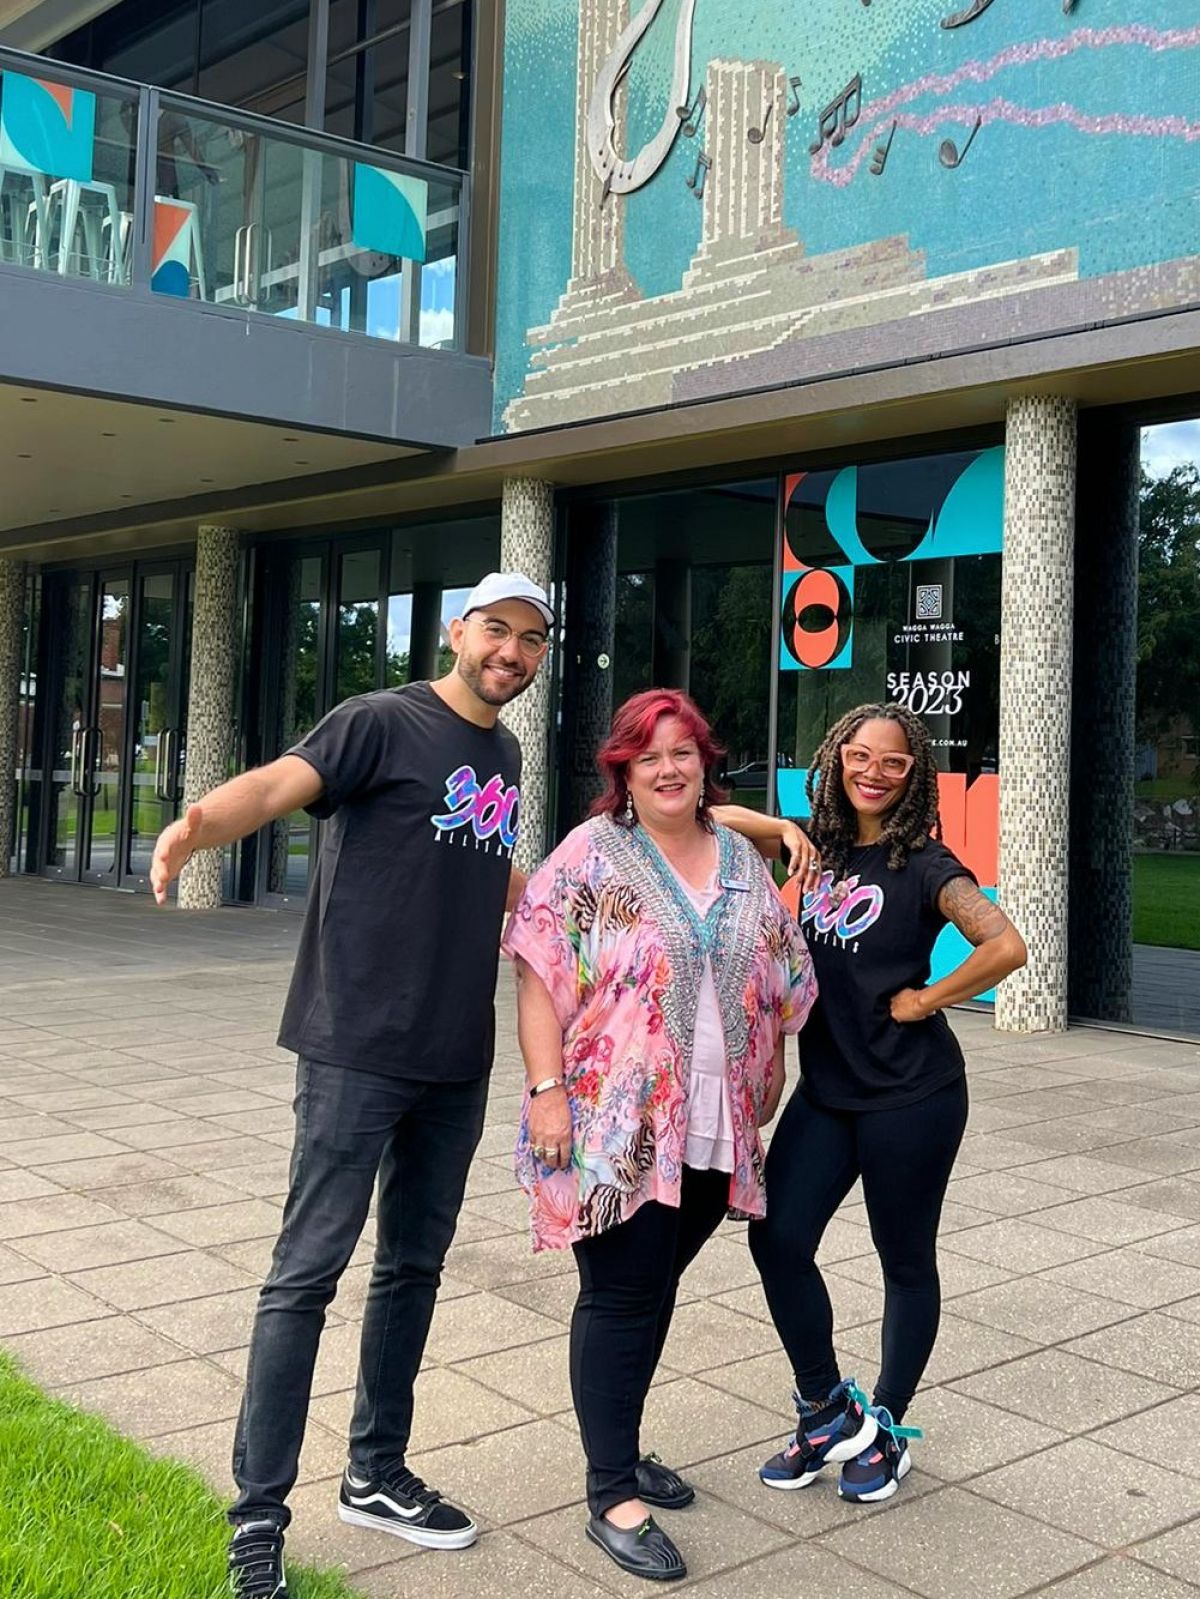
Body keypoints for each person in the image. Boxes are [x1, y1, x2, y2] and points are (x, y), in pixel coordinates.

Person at [148, 573, 555, 1599]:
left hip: (456, 1058)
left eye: (531, 639)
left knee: (412, 1271)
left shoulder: (502, 753)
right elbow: (281, 783)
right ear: (459, 631)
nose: (510, 651)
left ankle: (375, 1473)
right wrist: (199, 825)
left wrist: (572, 909)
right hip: (355, 1047)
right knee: (305, 1277)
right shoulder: (380, 720)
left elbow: (486, 866)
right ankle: (258, 1519)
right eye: (496, 630)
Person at [502, 689, 817, 1583]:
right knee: (621, 1292)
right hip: (613, 1122)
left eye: (684, 752)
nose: (670, 768)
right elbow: (537, 972)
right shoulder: (592, 856)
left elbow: (782, 967)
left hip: (717, 1126)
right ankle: (611, 1493)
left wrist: (775, 1067)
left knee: (653, 1287)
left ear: (705, 764)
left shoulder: (743, 861)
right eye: (650, 756)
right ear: (624, 773)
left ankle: (622, 1447)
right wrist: (546, 1092)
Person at [746, 703, 1026, 1502]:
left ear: (914, 775)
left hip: (913, 1095)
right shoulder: (816, 845)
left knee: (904, 1261)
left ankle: (890, 1424)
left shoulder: (927, 863)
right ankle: (829, 1409)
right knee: (778, 1240)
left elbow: (1007, 944)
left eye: (893, 762)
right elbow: (709, 818)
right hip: (829, 1090)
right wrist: (780, 821)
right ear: (834, 758)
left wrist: (928, 999)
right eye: (858, 755)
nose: (873, 771)